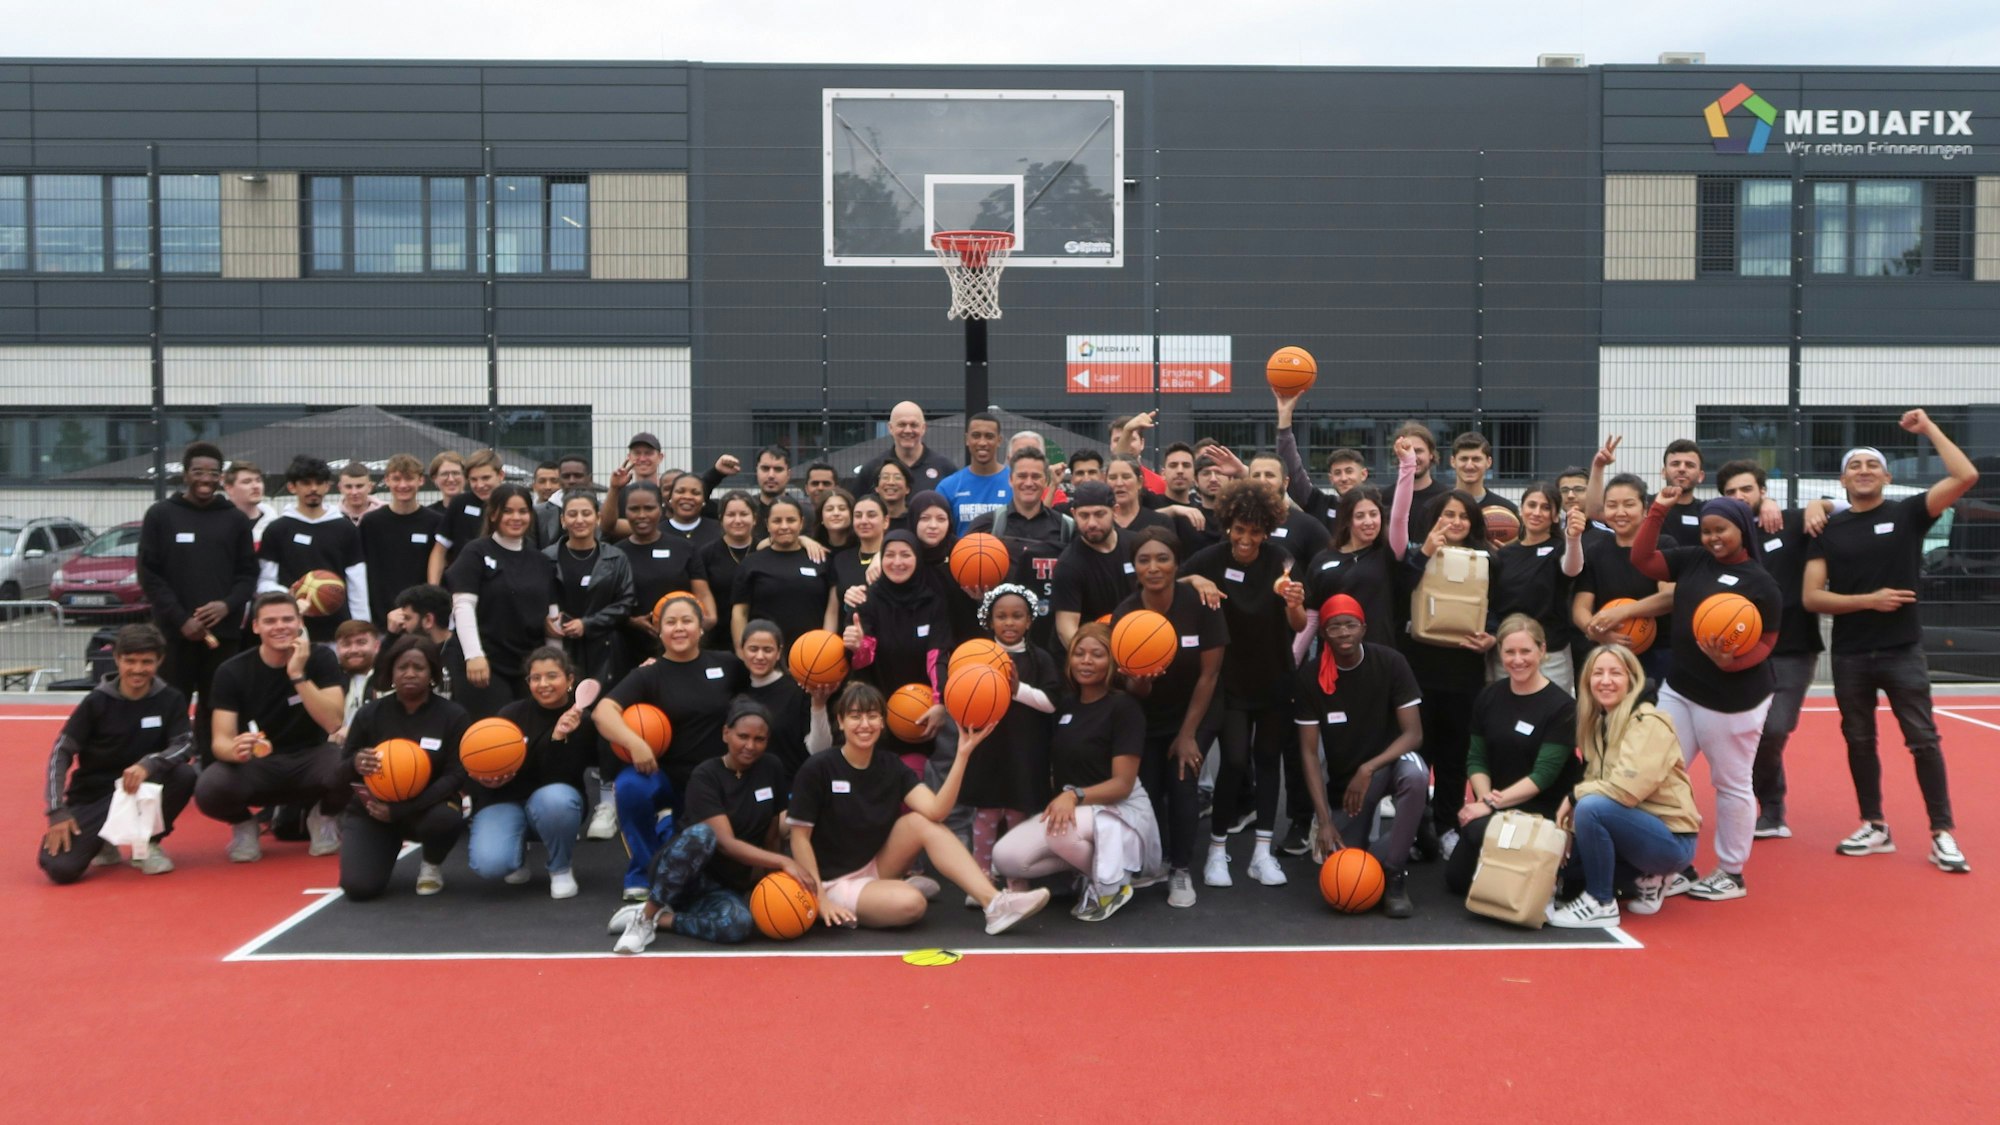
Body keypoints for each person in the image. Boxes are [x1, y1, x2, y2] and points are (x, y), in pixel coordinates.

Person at [1804, 414, 1980, 873]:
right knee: (1859, 741)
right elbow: (1811, 596)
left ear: (1887, 475)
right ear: (1842, 479)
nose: (1863, 469)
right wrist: (1869, 600)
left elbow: (1965, 476)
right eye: (1854, 465)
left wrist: (1929, 430)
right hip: (1851, 655)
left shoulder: (1908, 514)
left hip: (1902, 650)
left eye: (1872, 464)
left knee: (1923, 740)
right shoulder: (1828, 531)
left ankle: (1942, 834)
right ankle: (1874, 824)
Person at [788, 684, 1050, 934]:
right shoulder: (818, 768)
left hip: (875, 865)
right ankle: (880, 894)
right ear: (841, 722)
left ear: (882, 722)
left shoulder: (891, 765)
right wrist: (820, 898)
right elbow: (800, 839)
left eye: (872, 715)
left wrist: (962, 755)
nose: (865, 724)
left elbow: (936, 811)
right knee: (911, 905)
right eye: (855, 716)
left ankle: (994, 903)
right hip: (831, 881)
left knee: (922, 822)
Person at [1631, 490, 1781, 901]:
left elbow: (1767, 642)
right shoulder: (1694, 559)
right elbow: (1642, 560)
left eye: (1722, 530)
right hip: (1680, 688)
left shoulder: (1761, 583)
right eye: (1707, 530)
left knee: (1730, 782)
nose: (1713, 538)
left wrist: (1729, 662)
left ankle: (1731, 872)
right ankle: (1676, 862)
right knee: (1659, 771)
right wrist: (1657, 510)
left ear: (1743, 530)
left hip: (1733, 698)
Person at [991, 623, 1164, 921]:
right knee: (1005, 857)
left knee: (1062, 829)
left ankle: (1114, 883)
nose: (1086, 661)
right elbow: (1039, 705)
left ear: (1111, 662)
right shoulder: (1068, 704)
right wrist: (1015, 689)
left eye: (1097, 654)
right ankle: (1091, 871)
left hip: (1120, 811)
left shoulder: (1124, 708)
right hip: (1077, 811)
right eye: (1079, 653)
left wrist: (1073, 795)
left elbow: (1122, 785)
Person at [609, 700, 814, 951]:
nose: (750, 745)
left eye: (759, 739)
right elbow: (725, 843)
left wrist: (773, 885)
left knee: (740, 925)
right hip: (684, 874)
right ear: (725, 733)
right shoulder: (706, 775)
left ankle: (663, 921)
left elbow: (771, 836)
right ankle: (646, 917)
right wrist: (784, 862)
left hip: (725, 885)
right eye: (743, 736)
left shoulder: (771, 768)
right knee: (702, 835)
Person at [1183, 478, 1307, 887]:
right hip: (1229, 681)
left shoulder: (1281, 560)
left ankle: (1261, 854)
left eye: (1255, 532)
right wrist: (1194, 582)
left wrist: (1294, 605)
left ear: (1267, 531)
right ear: (1228, 524)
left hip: (1275, 677)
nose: (1246, 539)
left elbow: (1300, 623)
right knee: (1235, 761)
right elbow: (1168, 582)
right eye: (1240, 530)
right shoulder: (1209, 558)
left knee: (1269, 762)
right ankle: (1217, 853)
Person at [596, 593, 750, 900]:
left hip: (710, 781)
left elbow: (763, 685)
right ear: (659, 629)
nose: (679, 628)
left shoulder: (728, 665)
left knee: (705, 869)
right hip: (662, 773)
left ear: (701, 628)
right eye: (670, 622)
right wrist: (635, 743)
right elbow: (603, 712)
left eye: (687, 621)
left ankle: (670, 827)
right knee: (629, 788)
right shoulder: (648, 674)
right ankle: (643, 870)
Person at [1546, 645, 1701, 928]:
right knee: (1570, 871)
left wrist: (1573, 797)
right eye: (1598, 673)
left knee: (1591, 807)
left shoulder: (1648, 722)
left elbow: (1626, 793)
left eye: (1615, 673)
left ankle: (1601, 902)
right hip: (1633, 831)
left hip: (1671, 838)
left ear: (1632, 679)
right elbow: (1594, 780)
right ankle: (1649, 877)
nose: (1606, 680)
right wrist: (1568, 829)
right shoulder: (1598, 722)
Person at [1113, 527, 1226, 909]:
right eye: (1144, 560)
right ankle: (1153, 861)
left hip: (1199, 708)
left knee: (1182, 779)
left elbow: (1209, 675)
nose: (1154, 567)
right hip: (1146, 713)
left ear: (1177, 564)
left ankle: (1180, 868)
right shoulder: (1127, 614)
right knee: (1146, 787)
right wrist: (1141, 683)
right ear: (1134, 567)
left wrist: (1188, 734)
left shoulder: (1199, 603)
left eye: (1162, 558)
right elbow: (1132, 690)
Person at [1293, 594, 1425, 917]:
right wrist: (1323, 821)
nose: (1343, 633)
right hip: (1346, 783)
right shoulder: (1311, 677)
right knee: (1343, 870)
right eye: (1334, 627)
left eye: (1350, 625)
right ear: (1323, 633)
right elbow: (1309, 754)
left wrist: (1369, 767)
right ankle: (1411, 835)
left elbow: (1413, 734)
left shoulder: (1391, 662)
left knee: (1417, 775)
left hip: (1387, 763)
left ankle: (1395, 873)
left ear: (1363, 628)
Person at [1715, 460, 1825, 840]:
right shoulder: (1723, 537)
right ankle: (1766, 808)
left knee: (1774, 728)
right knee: (1746, 732)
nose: (1739, 497)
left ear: (1763, 491)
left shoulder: (1789, 522)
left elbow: (1842, 510)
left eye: (1746, 489)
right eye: (1730, 492)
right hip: (1744, 651)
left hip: (1793, 649)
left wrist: (1818, 504)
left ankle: (1772, 802)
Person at [39, 624, 198, 883]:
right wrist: (57, 810)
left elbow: (184, 745)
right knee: (60, 868)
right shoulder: (96, 702)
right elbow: (61, 753)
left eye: (146, 661)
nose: (137, 669)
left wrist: (149, 764)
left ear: (160, 660)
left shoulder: (171, 699)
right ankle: (104, 843)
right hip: (95, 796)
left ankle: (147, 844)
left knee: (184, 774)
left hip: (144, 788)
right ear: (117, 659)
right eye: (130, 661)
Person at [195, 592, 347, 861]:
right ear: (256, 626)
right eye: (270, 621)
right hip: (258, 763)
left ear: (300, 622)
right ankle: (244, 824)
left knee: (351, 766)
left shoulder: (321, 658)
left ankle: (323, 817)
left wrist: (298, 675)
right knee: (210, 787)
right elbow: (220, 741)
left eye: (288, 619)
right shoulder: (232, 671)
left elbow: (333, 722)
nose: (280, 626)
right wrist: (236, 750)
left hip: (311, 757)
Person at [137, 441, 257, 762]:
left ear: (221, 478)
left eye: (213, 473)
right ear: (185, 474)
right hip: (175, 633)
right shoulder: (161, 515)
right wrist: (180, 619)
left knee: (216, 702)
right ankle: (165, 762)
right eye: (198, 472)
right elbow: (149, 575)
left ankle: (213, 764)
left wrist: (226, 606)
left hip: (223, 635)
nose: (205, 479)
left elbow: (248, 575)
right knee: (169, 700)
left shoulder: (234, 519)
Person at [1401, 489, 1504, 857]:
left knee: (1455, 756)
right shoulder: (1417, 554)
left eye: (1463, 516)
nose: (1456, 522)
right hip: (1419, 669)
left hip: (1464, 671)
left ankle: (1446, 826)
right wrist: (1426, 551)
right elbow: (1400, 591)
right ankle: (1412, 829)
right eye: (1448, 514)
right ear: (1434, 518)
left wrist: (1491, 633)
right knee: (1417, 754)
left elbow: (1500, 604)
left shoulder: (1488, 559)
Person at [1445, 615, 1579, 898]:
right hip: (1499, 803)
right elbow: (1476, 759)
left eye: (1525, 651)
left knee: (1483, 838)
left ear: (1542, 651)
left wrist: (1492, 805)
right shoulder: (1489, 696)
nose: (1517, 660)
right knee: (1456, 881)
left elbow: (1543, 776)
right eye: (1509, 652)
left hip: (1542, 807)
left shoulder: (1562, 707)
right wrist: (1484, 801)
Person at [333, 634, 468, 899]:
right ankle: (379, 845)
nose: (409, 674)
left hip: (427, 809)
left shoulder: (452, 715)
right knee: (359, 889)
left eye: (418, 668)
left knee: (447, 819)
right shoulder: (369, 714)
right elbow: (339, 773)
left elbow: (456, 775)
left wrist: (401, 809)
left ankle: (431, 864)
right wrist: (356, 762)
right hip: (373, 810)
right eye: (402, 667)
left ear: (431, 673)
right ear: (390, 672)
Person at [959, 585, 1062, 886]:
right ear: (989, 621)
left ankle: (1016, 878)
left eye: (1017, 616)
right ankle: (980, 881)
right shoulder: (976, 655)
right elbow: (961, 697)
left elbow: (1052, 702)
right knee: (986, 815)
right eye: (1001, 616)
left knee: (1018, 814)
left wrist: (1018, 691)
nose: (1009, 623)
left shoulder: (1040, 658)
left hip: (1025, 750)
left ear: (1030, 621)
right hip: (986, 749)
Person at [475, 645, 596, 899]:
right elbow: (484, 764)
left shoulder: (582, 722)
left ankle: (560, 868)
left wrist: (559, 737)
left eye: (552, 676)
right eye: (536, 678)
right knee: (491, 864)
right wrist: (487, 778)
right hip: (507, 799)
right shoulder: (510, 714)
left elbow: (561, 777)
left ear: (570, 679)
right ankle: (516, 854)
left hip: (554, 802)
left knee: (556, 799)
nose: (544, 684)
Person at [444, 483, 558, 720]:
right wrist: (474, 656)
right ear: (494, 514)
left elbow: (552, 616)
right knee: (496, 735)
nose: (516, 518)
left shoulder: (541, 561)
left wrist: (555, 664)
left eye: (523, 511)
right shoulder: (475, 552)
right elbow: (463, 606)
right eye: (508, 511)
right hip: (484, 661)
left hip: (526, 665)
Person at [844, 530, 952, 776]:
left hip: (921, 712)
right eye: (890, 555)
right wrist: (857, 646)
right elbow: (861, 662)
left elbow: (938, 654)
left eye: (906, 554)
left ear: (918, 559)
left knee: (917, 779)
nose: (897, 562)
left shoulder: (932, 601)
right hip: (876, 708)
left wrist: (939, 703)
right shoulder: (866, 600)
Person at [967, 447, 1075, 649]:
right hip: (1001, 638)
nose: (1028, 482)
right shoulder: (986, 526)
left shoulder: (1066, 527)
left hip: (1051, 636)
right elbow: (965, 571)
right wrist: (974, 588)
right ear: (1010, 479)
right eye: (1022, 475)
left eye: (1036, 476)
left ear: (1046, 481)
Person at [1572, 472, 1673, 687]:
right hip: (1609, 654)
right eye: (1612, 505)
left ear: (1645, 509)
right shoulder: (1596, 551)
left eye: (1628, 504)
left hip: (1658, 654)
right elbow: (1580, 608)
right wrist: (1596, 631)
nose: (1620, 512)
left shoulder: (1663, 544)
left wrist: (1624, 611)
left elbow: (1669, 597)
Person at [259, 455, 369, 643]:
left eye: (319, 482)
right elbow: (264, 581)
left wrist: (361, 626)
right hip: (290, 630)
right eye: (306, 483)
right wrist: (289, 595)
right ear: (292, 486)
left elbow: (357, 582)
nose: (313, 489)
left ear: (328, 486)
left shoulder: (345, 528)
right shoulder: (277, 529)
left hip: (337, 631)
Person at [1490, 482, 1586, 692]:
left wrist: (1574, 537)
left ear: (1554, 516)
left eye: (1545, 507)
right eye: (1531, 505)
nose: (1537, 512)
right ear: (1521, 510)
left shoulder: (1561, 548)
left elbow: (1572, 568)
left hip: (1551, 655)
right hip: (1508, 653)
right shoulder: (1504, 555)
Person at [616, 481, 717, 664]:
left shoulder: (684, 548)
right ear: (625, 512)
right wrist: (631, 621)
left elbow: (701, 591)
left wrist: (710, 617)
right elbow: (609, 603)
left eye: (649, 508)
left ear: (661, 509)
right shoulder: (616, 553)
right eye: (634, 509)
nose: (642, 515)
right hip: (632, 645)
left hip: (681, 643)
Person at [544, 491, 635, 687]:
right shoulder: (546, 558)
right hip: (559, 646)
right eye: (572, 514)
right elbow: (533, 600)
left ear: (598, 518)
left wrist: (587, 624)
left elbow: (625, 603)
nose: (579, 520)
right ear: (563, 520)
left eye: (586, 513)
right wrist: (544, 622)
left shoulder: (616, 557)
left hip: (605, 649)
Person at [730, 496, 838, 652]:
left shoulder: (820, 559)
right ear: (767, 525)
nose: (784, 526)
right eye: (777, 521)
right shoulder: (751, 563)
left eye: (791, 520)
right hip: (765, 656)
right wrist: (742, 652)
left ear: (801, 523)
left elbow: (831, 610)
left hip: (812, 653)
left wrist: (826, 645)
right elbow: (740, 613)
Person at [357, 454, 446, 627]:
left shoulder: (435, 522)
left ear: (421, 480)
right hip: (379, 619)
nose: (403, 485)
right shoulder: (370, 522)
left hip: (420, 620)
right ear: (386, 481)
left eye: (409, 478)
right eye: (396, 479)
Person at [740, 619, 833, 774]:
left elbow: (820, 749)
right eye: (753, 649)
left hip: (791, 784)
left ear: (778, 652)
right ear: (742, 650)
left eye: (768, 650)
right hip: (747, 786)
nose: (760, 656)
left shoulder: (798, 689)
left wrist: (819, 705)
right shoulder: (736, 687)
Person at [1051, 481, 1136, 649]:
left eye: (1099, 514)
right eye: (1084, 515)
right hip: (1094, 653)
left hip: (1133, 640)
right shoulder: (1069, 565)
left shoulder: (1137, 546)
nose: (1091, 523)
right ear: (1074, 514)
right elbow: (1066, 628)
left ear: (1115, 511)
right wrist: (1090, 656)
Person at [427, 448, 507, 580]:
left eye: (486, 478)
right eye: (474, 480)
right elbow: (439, 550)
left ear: (501, 475)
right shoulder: (460, 503)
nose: (480, 485)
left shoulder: (514, 502)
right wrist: (433, 590)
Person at [846, 400, 958, 495]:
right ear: (890, 428)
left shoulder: (945, 468)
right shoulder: (872, 469)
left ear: (923, 428)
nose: (908, 430)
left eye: (914, 425)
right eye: (902, 425)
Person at [936, 413, 1013, 535]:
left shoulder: (1016, 483)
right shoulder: (948, 487)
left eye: (989, 436)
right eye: (976, 436)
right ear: (967, 439)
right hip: (962, 554)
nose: (982, 442)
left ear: (999, 440)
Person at [696, 490, 754, 650]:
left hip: (760, 637)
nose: (738, 520)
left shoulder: (764, 549)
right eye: (731, 515)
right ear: (721, 519)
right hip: (717, 640)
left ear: (754, 518)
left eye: (744, 514)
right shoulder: (706, 554)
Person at [387, 583, 457, 698]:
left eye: (407, 618)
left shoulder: (464, 653)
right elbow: (380, 683)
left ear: (428, 620)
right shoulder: (405, 650)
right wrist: (391, 635)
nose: (401, 625)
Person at [598, 431, 669, 540]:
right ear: (629, 457)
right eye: (637, 453)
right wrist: (614, 488)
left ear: (660, 457)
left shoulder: (667, 492)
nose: (642, 459)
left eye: (648, 453)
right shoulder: (619, 494)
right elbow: (606, 526)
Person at [1393, 421, 1452, 542]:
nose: (1413, 457)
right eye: (1407, 450)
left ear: (1431, 454)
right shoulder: (1385, 497)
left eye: (1418, 451)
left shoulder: (1447, 497)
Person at [1449, 432, 1519, 521]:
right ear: (1453, 461)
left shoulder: (1506, 510)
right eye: (1464, 459)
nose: (1469, 466)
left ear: (1488, 462)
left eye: (1476, 459)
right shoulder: (1437, 506)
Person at [331, 619, 380, 739]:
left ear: (376, 646)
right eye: (346, 644)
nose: (354, 650)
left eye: (361, 642)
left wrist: (353, 731)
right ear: (337, 649)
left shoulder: (389, 678)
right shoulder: (330, 681)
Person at [224, 459, 277, 545]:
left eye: (258, 480)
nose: (255, 486)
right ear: (229, 489)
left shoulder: (275, 525)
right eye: (247, 482)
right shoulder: (217, 524)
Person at [531, 461, 565, 543]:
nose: (548, 487)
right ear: (534, 486)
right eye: (542, 481)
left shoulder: (567, 511)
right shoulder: (528, 510)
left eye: (554, 481)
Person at [873, 460, 913, 531]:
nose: (891, 482)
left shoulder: (915, 520)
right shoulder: (871, 521)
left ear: (907, 488)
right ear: (877, 488)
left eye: (897, 478)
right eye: (885, 477)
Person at [813, 487, 856, 552]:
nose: (836, 513)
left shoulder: (863, 546)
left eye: (842, 509)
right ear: (821, 516)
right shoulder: (813, 548)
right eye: (829, 509)